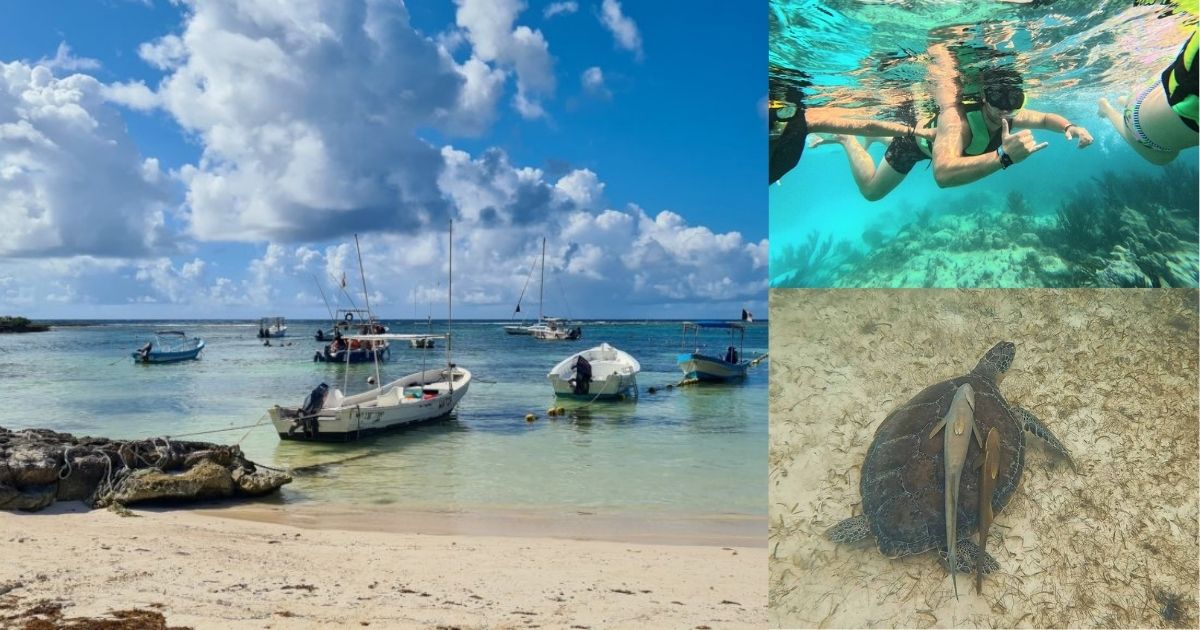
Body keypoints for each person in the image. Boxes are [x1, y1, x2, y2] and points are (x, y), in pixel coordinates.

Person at [817, 48, 1093, 200]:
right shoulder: (957, 120)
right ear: (984, 97)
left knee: (908, 143)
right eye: (997, 98)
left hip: (927, 139)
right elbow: (943, 175)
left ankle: (880, 137)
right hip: (914, 145)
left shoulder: (1009, 115)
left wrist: (1070, 127)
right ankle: (846, 139)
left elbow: (1045, 118)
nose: (1005, 109)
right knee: (871, 192)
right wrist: (1003, 158)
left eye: (1014, 99)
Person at [769, 84, 936, 185]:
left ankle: (854, 137)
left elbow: (866, 126)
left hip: (916, 139)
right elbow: (866, 126)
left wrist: (914, 132)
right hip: (915, 141)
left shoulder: (793, 126)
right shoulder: (791, 130)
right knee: (871, 191)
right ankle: (847, 139)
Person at [1098, 31, 1198, 165]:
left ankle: (1125, 100)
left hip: (1154, 89)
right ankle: (1107, 109)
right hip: (1139, 121)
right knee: (1163, 158)